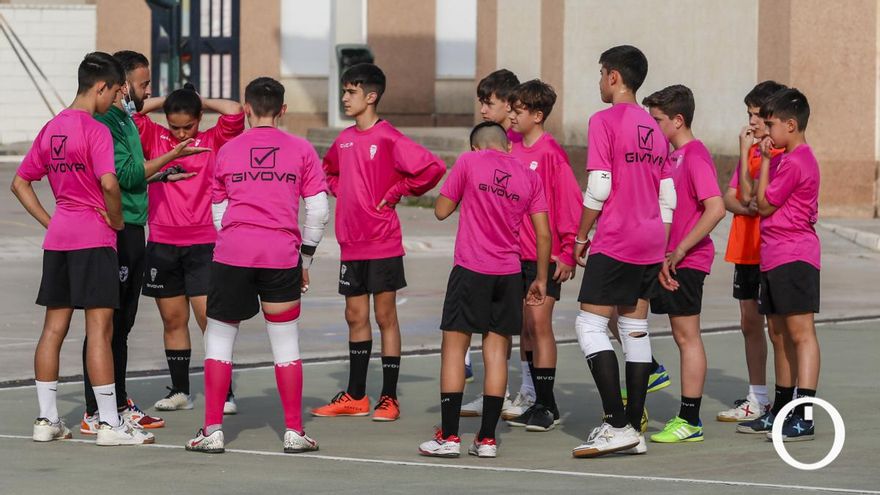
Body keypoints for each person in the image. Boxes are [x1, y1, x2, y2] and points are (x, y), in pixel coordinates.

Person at [12, 52, 153, 446]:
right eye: (114, 93)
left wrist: (50, 221)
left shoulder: (52, 128)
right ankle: (110, 423)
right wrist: (116, 220)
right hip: (94, 239)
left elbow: (21, 183)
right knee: (100, 330)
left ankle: (46, 419)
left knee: (53, 329)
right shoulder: (95, 131)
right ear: (102, 87)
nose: (114, 101)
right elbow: (110, 184)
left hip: (59, 240)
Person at [185, 77, 329, 454]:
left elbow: (218, 208)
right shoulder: (301, 149)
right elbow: (318, 211)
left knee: (218, 340)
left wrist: (233, 237)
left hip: (233, 254)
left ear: (246, 109)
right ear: (283, 110)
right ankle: (294, 431)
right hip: (281, 255)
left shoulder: (228, 150)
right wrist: (306, 259)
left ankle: (212, 429)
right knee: (285, 344)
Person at [80, 50, 209, 434]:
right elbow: (122, 173)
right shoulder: (106, 120)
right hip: (117, 229)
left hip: (135, 227)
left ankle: (117, 402)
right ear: (122, 84)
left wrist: (157, 177)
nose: (150, 91)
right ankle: (97, 410)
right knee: (108, 322)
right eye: (144, 83)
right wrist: (171, 156)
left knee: (123, 322)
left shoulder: (123, 116)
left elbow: (134, 176)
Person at [313, 63, 445, 422]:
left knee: (385, 316)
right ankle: (356, 395)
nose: (344, 98)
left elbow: (432, 168)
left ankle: (389, 397)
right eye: (344, 91)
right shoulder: (344, 140)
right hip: (350, 244)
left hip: (383, 242)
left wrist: (397, 191)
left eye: (351, 92)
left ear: (370, 97)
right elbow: (329, 172)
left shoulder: (389, 138)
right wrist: (344, 191)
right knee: (354, 316)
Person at [418, 122, 550, 458]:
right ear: (507, 146)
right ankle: (487, 439)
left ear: (476, 147)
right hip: (509, 274)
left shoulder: (468, 162)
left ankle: (449, 437)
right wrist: (541, 279)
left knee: (453, 348)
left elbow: (441, 210)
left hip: (471, 270)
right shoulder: (528, 175)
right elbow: (544, 234)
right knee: (496, 353)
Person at [570, 45, 676, 458]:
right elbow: (667, 196)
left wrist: (581, 237)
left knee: (590, 326)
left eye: (601, 74)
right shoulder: (654, 128)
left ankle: (616, 423)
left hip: (617, 237)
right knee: (635, 330)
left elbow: (599, 185)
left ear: (614, 77)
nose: (599, 82)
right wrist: (661, 245)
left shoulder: (604, 120)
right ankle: (634, 427)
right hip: (651, 239)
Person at [134, 86, 245, 414]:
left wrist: (197, 98)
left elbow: (235, 110)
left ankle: (223, 393)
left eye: (188, 126)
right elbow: (133, 114)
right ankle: (180, 390)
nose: (181, 133)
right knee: (172, 319)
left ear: (200, 119)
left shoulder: (212, 140)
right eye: (175, 126)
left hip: (204, 243)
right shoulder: (155, 137)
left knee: (208, 318)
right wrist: (169, 97)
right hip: (161, 243)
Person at [642, 85, 725, 443]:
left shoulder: (695, 156)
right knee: (618, 311)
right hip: (659, 258)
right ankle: (647, 369)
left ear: (678, 120)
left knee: (685, 335)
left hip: (686, 261)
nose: (651, 127)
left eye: (656, 120)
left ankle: (690, 419)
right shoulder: (668, 158)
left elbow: (716, 208)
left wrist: (680, 250)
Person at [738, 88, 821, 442]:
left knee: (801, 334)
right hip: (773, 255)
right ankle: (783, 407)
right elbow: (752, 200)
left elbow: (765, 204)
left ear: (791, 124)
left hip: (795, 256)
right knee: (779, 334)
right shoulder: (787, 158)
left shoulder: (797, 160)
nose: (765, 131)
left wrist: (766, 161)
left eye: (770, 124)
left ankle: (804, 414)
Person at [503, 79, 581, 431]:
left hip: (543, 256)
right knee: (525, 328)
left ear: (538, 115)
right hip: (511, 253)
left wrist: (566, 251)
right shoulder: (511, 149)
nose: (512, 116)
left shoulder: (551, 154)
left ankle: (547, 405)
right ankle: (534, 396)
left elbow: (569, 205)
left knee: (539, 323)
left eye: (518, 111)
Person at [717, 81, 787, 422]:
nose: (752, 122)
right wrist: (745, 155)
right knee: (749, 323)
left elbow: (759, 201)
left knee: (777, 329)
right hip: (744, 248)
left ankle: (784, 399)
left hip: (771, 250)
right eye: (749, 114)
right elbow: (733, 198)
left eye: (758, 115)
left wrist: (750, 204)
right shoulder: (752, 152)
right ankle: (756, 398)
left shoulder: (781, 154)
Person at [460, 68, 524, 417]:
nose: (483, 110)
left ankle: (528, 393)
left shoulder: (515, 147)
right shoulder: (487, 147)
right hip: (498, 255)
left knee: (517, 331)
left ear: (509, 104)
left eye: (490, 103)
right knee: (499, 334)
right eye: (481, 103)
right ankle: (499, 393)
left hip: (515, 254)